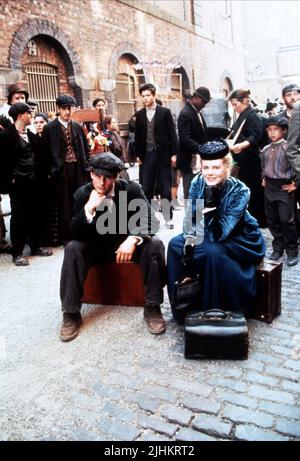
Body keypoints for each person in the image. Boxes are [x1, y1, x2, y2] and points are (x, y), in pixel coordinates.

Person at [59, 152, 166, 341]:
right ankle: (71, 312)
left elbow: (150, 220)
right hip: (96, 248)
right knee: (72, 248)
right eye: (98, 177)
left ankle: (152, 305)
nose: (101, 183)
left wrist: (133, 239)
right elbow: (73, 233)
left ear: (115, 177)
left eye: (107, 178)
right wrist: (88, 209)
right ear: (91, 174)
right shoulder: (82, 194)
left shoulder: (131, 190)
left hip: (126, 247)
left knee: (155, 244)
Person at [167, 139, 265, 323]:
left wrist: (211, 205)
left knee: (212, 252)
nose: (210, 173)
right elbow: (190, 221)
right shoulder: (198, 181)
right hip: (207, 229)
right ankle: (182, 305)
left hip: (239, 237)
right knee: (175, 245)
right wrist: (189, 244)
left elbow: (223, 232)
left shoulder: (240, 190)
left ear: (226, 167)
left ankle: (212, 308)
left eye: (216, 168)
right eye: (206, 168)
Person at [0, 102, 53, 265]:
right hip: (19, 184)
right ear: (20, 115)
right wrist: (10, 180)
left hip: (34, 182)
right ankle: (17, 252)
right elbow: (2, 162)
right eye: (29, 114)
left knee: (36, 213)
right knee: (19, 217)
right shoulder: (6, 136)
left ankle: (36, 245)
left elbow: (39, 158)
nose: (31, 116)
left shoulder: (30, 136)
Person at [42, 95, 89, 243]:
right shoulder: (50, 128)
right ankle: (66, 237)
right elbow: (45, 152)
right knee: (64, 204)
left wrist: (85, 165)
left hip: (78, 168)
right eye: (64, 109)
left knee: (80, 200)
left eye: (70, 108)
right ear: (58, 109)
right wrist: (51, 170)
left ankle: (81, 233)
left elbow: (86, 149)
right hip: (60, 170)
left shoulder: (77, 127)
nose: (68, 112)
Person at [135, 83, 179, 229]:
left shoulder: (164, 112)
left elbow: (173, 135)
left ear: (154, 95)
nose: (145, 98)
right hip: (147, 155)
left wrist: (174, 154)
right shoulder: (140, 114)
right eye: (143, 96)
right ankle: (146, 220)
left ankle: (168, 219)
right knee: (146, 188)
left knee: (165, 188)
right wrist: (138, 155)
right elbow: (138, 137)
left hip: (163, 156)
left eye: (148, 95)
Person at [260, 116, 298, 266]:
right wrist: (263, 177)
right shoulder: (265, 149)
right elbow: (263, 166)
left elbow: (297, 167)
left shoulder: (289, 148)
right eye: (269, 130)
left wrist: (296, 184)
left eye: (276, 129)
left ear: (284, 130)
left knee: (286, 220)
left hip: (284, 189)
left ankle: (292, 251)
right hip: (269, 188)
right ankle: (278, 248)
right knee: (273, 220)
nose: (272, 133)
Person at [228, 89, 266, 227]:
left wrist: (243, 145)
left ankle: (257, 220)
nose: (234, 107)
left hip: (251, 160)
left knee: (253, 191)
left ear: (245, 101)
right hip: (242, 160)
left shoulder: (252, 116)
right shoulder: (242, 115)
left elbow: (256, 134)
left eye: (235, 104)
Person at [177, 87, 210, 200]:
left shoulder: (196, 112)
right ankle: (193, 217)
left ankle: (198, 216)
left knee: (198, 193)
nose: (205, 105)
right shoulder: (186, 113)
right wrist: (202, 149)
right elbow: (185, 139)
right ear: (195, 98)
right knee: (192, 193)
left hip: (198, 160)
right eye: (204, 101)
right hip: (190, 161)